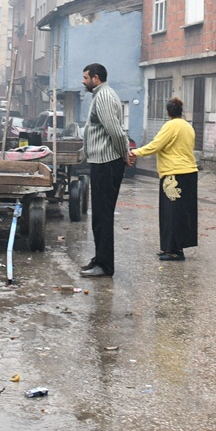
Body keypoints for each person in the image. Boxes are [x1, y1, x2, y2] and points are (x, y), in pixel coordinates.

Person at [128, 97, 198, 261]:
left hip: (173, 173)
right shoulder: (188, 127)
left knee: (171, 213)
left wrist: (136, 152)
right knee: (182, 213)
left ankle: (174, 251)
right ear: (181, 111)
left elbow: (156, 145)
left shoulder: (170, 126)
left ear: (167, 112)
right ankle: (172, 247)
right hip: (190, 173)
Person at [79, 63, 129, 277]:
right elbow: (96, 130)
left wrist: (125, 156)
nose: (83, 81)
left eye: (85, 77)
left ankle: (105, 266)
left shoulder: (105, 96)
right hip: (100, 162)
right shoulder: (99, 95)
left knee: (104, 215)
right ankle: (99, 258)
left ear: (96, 78)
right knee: (98, 214)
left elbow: (116, 132)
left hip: (108, 163)